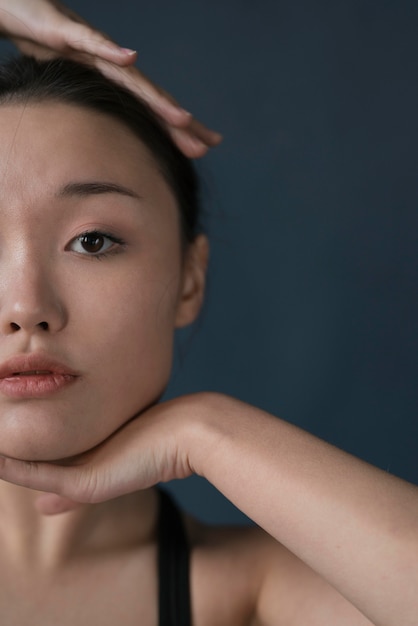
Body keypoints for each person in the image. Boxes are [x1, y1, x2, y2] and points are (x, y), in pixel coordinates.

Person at [0, 6, 416, 626]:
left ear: (188, 279)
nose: (27, 307)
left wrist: (208, 431)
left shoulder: (251, 594)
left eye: (92, 241)